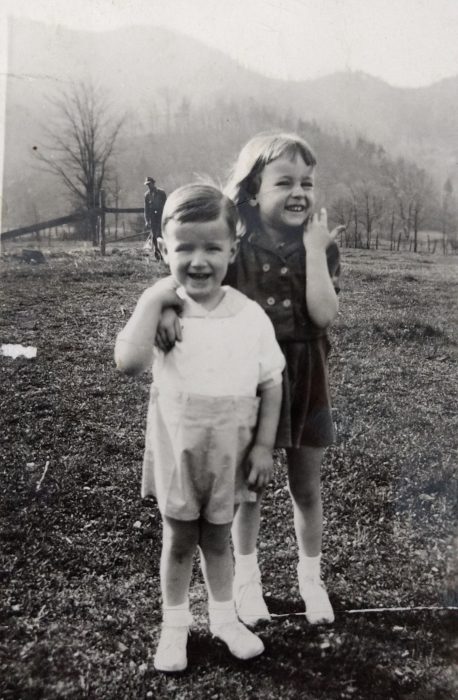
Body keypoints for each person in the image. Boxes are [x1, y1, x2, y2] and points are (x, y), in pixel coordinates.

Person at [156, 132, 342, 628]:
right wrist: (167, 306)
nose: (299, 192)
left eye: (307, 182)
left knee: (306, 486)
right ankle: (246, 578)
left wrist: (315, 251)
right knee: (248, 489)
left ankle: (310, 578)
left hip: (307, 378)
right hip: (247, 380)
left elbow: (323, 315)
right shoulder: (236, 245)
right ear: (254, 191)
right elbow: (194, 277)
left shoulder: (320, 246)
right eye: (284, 182)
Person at [115, 183, 285, 672]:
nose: (198, 260)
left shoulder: (250, 316)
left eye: (212, 247)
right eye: (184, 247)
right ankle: (174, 628)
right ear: (162, 248)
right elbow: (127, 362)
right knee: (179, 541)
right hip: (179, 450)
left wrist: (264, 447)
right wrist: (154, 299)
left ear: (232, 248)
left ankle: (224, 619)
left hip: (230, 449)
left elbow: (272, 383)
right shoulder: (164, 313)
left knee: (217, 540)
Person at [144, 176, 167, 259]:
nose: (149, 186)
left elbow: (166, 205)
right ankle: (157, 252)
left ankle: (163, 252)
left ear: (153, 183)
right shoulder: (147, 195)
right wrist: (147, 221)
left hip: (161, 215)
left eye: (150, 184)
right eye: (147, 185)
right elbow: (146, 209)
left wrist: (166, 216)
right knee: (154, 235)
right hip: (153, 217)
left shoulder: (161, 193)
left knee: (160, 234)